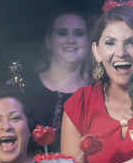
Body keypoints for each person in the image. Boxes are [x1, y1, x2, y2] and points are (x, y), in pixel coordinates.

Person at [61, 5, 133, 163]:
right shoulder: (81, 104)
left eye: (132, 42)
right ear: (97, 51)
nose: (121, 53)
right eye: (110, 43)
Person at [23, 10, 90, 151]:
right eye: (62, 33)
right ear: (49, 41)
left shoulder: (98, 91)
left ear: (88, 42)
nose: (71, 40)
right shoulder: (24, 87)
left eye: (78, 33)